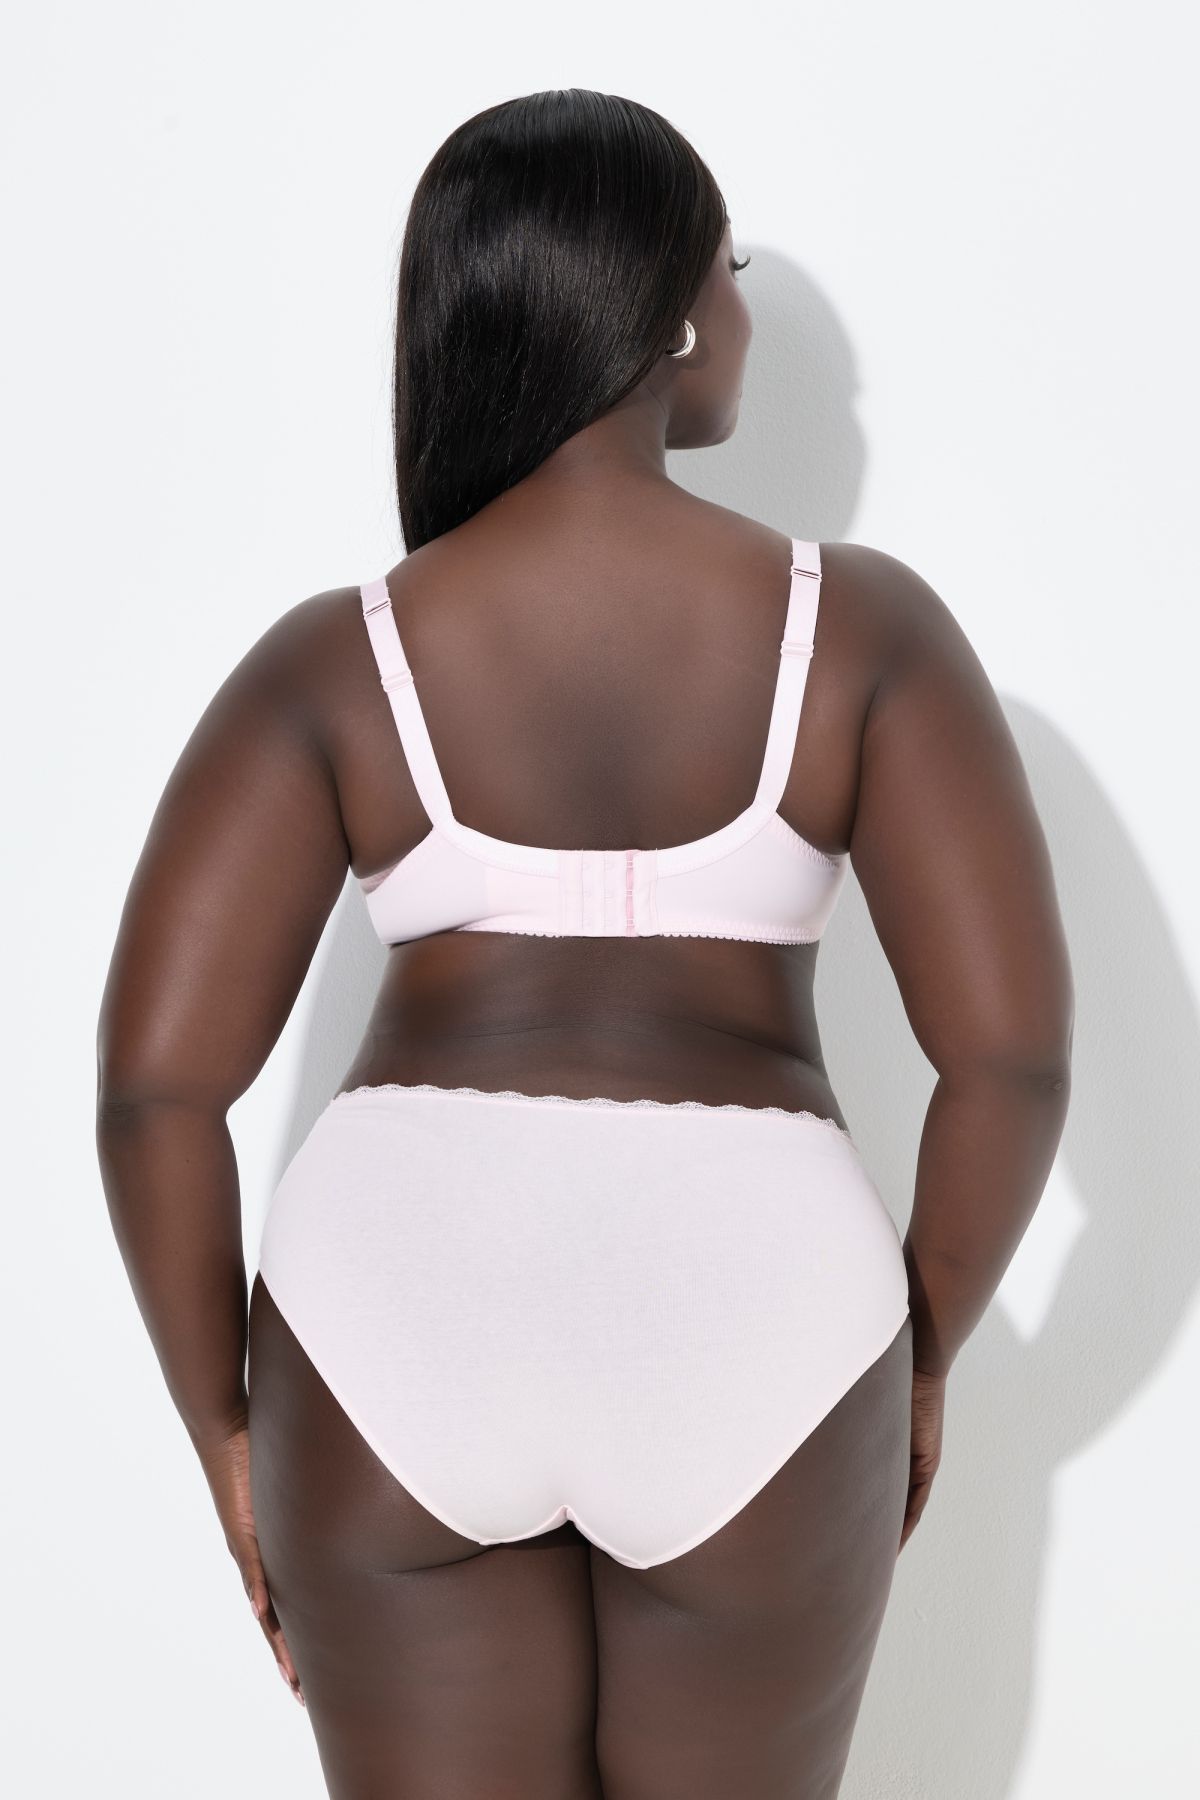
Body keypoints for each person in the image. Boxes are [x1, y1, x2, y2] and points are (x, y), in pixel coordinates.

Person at [95, 88, 1073, 1800]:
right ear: (666, 310)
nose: (744, 312)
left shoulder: (338, 658)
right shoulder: (863, 631)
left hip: (398, 1303)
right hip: (763, 1299)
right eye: (733, 269)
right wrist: (917, 1350)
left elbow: (153, 1094)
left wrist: (224, 1424)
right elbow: (1011, 1061)